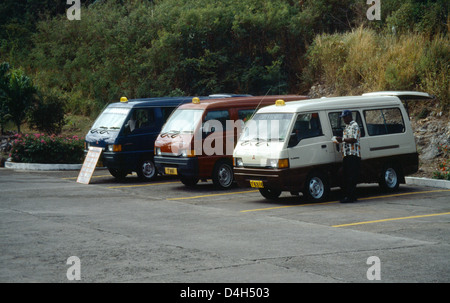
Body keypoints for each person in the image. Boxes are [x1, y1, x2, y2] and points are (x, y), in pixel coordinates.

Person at [335, 110, 361, 203]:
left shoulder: (354, 126)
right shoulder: (347, 127)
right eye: (343, 118)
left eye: (345, 117)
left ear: (349, 117)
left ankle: (350, 197)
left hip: (353, 154)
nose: (344, 119)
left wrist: (341, 139)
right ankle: (350, 195)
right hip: (347, 154)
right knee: (346, 175)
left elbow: (353, 139)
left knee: (351, 176)